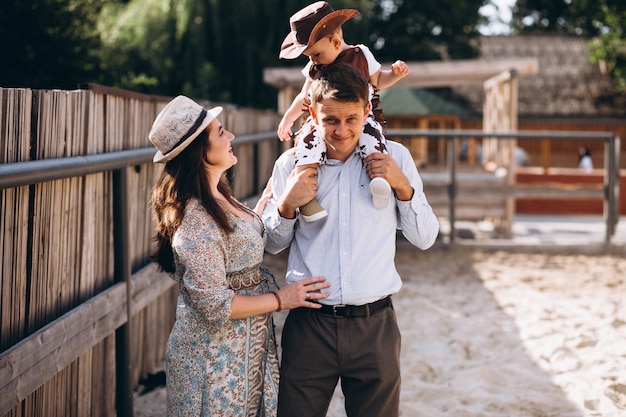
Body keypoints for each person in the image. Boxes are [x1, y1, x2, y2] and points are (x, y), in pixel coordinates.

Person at [262, 64, 439, 417]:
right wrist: (286, 205)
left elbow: (425, 238)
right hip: (310, 326)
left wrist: (402, 187)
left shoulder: (396, 157)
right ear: (312, 113)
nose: (342, 131)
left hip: (375, 327)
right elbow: (271, 245)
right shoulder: (290, 165)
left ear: (366, 112)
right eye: (330, 120)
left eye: (351, 119)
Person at [148, 95, 330, 416]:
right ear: (199, 152)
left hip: (243, 348)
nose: (230, 136)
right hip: (213, 360)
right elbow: (216, 305)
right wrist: (282, 299)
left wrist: (263, 209)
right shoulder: (194, 219)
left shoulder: (218, 195)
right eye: (220, 133)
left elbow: (234, 240)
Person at [277, 1, 410, 221]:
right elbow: (305, 97)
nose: (313, 61)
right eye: (310, 56)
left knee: (373, 140)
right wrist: (287, 118)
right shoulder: (315, 67)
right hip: (322, 121)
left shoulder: (360, 55)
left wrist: (395, 74)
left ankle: (379, 183)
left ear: (336, 42)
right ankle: (306, 198)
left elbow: (378, 80)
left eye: (316, 54)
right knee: (307, 145)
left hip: (360, 117)